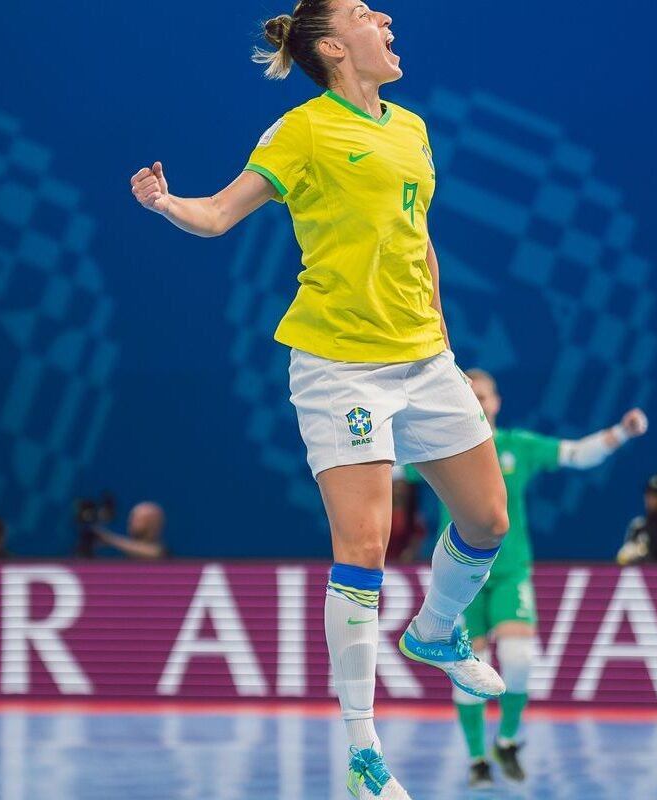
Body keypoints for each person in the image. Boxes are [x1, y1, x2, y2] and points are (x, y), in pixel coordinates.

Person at [129, 4, 509, 798]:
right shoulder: (301, 131)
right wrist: (167, 204)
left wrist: (441, 337)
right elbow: (219, 214)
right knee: (364, 546)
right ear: (334, 47)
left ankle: (435, 631)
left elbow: (418, 239)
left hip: (425, 356)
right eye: (366, 13)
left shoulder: (412, 128)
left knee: (486, 521)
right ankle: (364, 753)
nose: (386, 16)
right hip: (342, 366)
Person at [440, 368, 648, 788]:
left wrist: (621, 433)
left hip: (510, 570)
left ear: (496, 402)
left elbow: (577, 454)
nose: (477, 402)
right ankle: (478, 759)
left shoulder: (518, 446)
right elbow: (388, 471)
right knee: (467, 670)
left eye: (483, 395)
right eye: (469, 395)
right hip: (459, 576)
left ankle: (507, 741)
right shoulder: (438, 448)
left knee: (519, 659)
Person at [92, 501, 169, 560]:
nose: (130, 522)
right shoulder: (127, 558)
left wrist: (108, 539)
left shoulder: (161, 554)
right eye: (131, 518)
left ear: (153, 523)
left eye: (138, 519)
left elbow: (155, 553)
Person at [386, 466, 428, 564]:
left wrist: (410, 551)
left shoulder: (414, 509)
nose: (398, 491)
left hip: (406, 562)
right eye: (395, 487)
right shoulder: (383, 510)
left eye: (401, 487)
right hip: (386, 560)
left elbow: (418, 533)